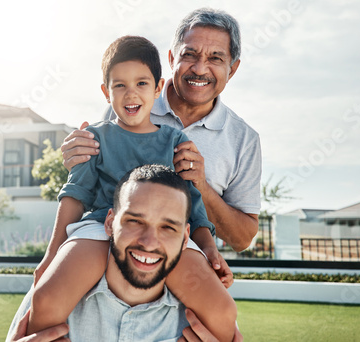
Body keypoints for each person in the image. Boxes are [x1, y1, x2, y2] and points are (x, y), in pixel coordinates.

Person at [27, 36, 236, 341]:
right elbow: (75, 194)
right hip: (100, 227)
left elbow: (194, 203)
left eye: (141, 83)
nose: (130, 94)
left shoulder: (175, 141)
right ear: (105, 92)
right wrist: (50, 255)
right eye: (119, 85)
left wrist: (209, 250)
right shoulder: (93, 137)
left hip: (165, 232)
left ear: (157, 88)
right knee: (46, 299)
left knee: (222, 311)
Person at [62, 8, 262, 253]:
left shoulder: (244, 140)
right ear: (171, 59)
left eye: (215, 58)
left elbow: (242, 240)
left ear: (232, 69)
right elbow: (91, 185)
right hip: (112, 248)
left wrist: (200, 185)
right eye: (190, 54)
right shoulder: (130, 104)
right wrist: (78, 158)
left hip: (180, 257)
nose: (200, 69)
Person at [8, 165, 240, 341]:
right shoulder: (48, 299)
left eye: (168, 227)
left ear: (185, 238)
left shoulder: (205, 326)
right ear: (109, 223)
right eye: (134, 221)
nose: (149, 242)